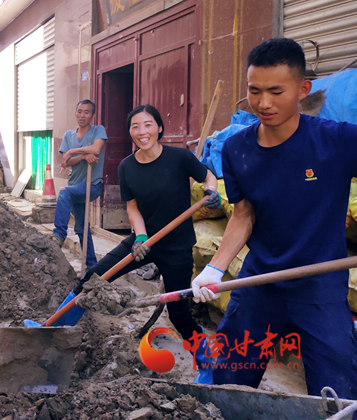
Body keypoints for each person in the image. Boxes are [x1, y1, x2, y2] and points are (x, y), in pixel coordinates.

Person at [191, 38, 357, 417]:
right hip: (259, 283)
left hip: (319, 287)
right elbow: (243, 213)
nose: (263, 103)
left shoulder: (335, 141)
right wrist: (216, 266)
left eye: (275, 91)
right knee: (227, 386)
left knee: (338, 399)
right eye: (254, 91)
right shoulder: (237, 150)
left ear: (302, 90)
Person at [28, 104, 221, 375]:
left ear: (159, 128)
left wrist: (211, 190)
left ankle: (206, 362)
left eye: (148, 124)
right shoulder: (127, 166)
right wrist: (140, 236)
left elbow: (207, 175)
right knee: (92, 279)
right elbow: (132, 207)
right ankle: (51, 330)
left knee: (179, 315)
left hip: (176, 247)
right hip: (141, 240)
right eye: (135, 126)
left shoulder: (180, 158)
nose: (142, 131)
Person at [49, 99, 107, 268]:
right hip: (76, 186)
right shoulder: (68, 135)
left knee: (64, 192)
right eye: (80, 111)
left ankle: (58, 234)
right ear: (75, 113)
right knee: (82, 229)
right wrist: (82, 156)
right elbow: (66, 162)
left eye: (87, 112)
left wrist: (74, 151)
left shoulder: (98, 130)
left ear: (92, 115)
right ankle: (91, 266)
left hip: (92, 184)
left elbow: (96, 149)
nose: (83, 115)